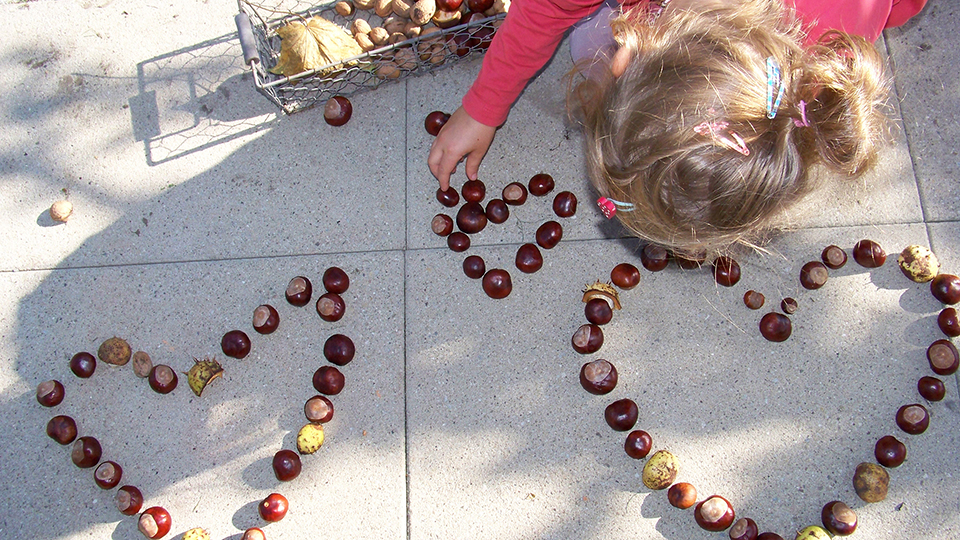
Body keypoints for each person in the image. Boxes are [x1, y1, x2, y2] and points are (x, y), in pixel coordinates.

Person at [427, 0, 927, 256]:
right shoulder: (830, 43)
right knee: (585, 46)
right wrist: (483, 105)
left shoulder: (826, 60)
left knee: (586, 48)